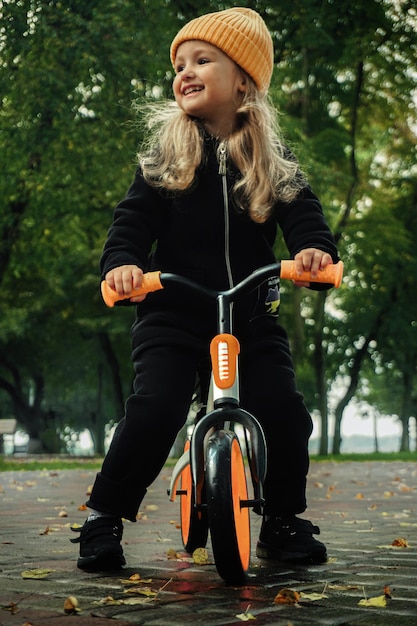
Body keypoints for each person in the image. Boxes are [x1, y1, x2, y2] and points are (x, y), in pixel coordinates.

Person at [71, 7, 339, 571]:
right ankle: (103, 516)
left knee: (284, 411)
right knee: (154, 408)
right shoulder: (166, 158)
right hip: (173, 311)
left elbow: (304, 214)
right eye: (179, 64)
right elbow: (131, 223)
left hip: (251, 315)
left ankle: (283, 520)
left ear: (243, 78)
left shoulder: (269, 157)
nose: (185, 72)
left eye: (202, 60)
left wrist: (315, 252)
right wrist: (122, 265)